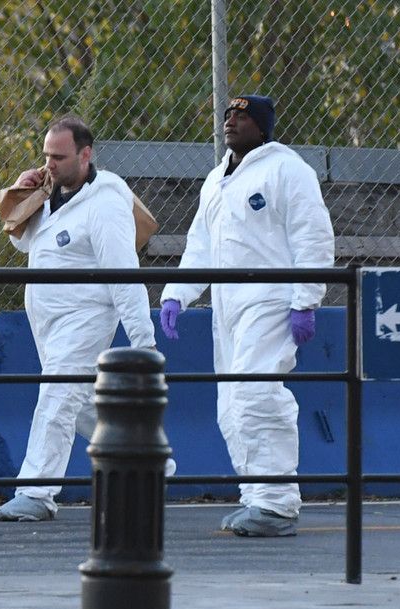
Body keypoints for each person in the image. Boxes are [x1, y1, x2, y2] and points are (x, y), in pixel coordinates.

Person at [160, 94, 334, 537]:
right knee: (231, 405)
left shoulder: (287, 169)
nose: (230, 120)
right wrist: (177, 295)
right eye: (227, 114)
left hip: (271, 301)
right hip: (227, 308)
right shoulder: (216, 180)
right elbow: (200, 246)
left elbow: (312, 236)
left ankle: (277, 503)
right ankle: (256, 496)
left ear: (262, 127)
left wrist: (305, 300)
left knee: (257, 395)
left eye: (242, 115)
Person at [0, 115, 164, 522]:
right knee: (79, 404)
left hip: (85, 318)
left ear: (86, 155)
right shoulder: (52, 194)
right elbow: (26, 245)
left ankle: (36, 492)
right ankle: (147, 458)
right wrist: (23, 191)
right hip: (48, 322)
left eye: (59, 157)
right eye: (46, 155)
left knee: (56, 397)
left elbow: (124, 274)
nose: (50, 164)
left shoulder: (105, 204)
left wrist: (145, 342)